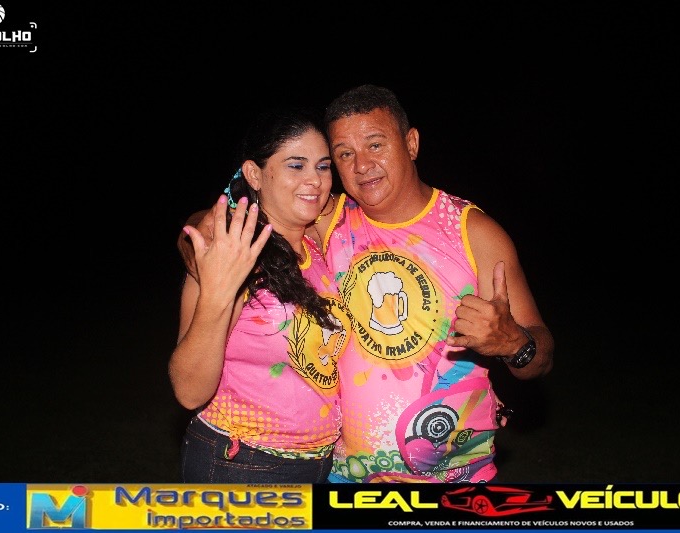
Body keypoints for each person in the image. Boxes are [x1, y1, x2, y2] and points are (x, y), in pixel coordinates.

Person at [179, 85, 554, 483]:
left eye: (375, 145)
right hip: (343, 473)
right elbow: (241, 210)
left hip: (453, 474)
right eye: (344, 154)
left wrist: (514, 344)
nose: (361, 165)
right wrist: (201, 241)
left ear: (411, 143)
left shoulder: (472, 231)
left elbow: (542, 354)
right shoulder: (328, 218)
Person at [169, 107, 352, 483]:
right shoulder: (232, 251)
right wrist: (218, 291)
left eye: (323, 166)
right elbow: (189, 391)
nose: (314, 180)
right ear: (254, 174)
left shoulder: (317, 245)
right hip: (241, 463)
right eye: (296, 165)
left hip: (318, 466)